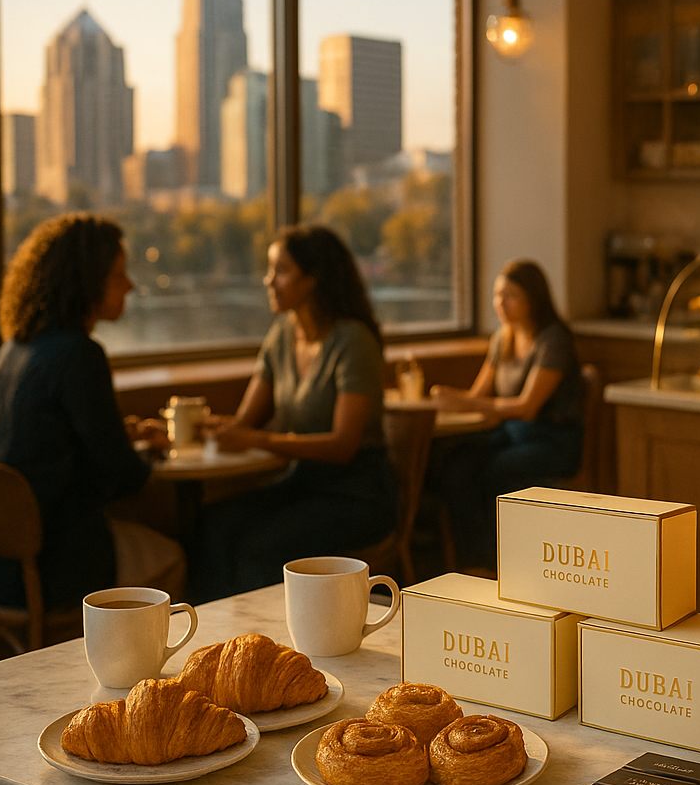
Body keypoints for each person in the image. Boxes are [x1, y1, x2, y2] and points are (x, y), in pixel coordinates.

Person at [0, 214, 185, 608]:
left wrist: (118, 436)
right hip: (56, 564)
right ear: (87, 280)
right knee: (174, 559)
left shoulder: (15, 348)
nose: (130, 286)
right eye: (118, 274)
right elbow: (124, 477)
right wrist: (149, 450)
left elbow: (48, 443)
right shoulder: (80, 355)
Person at [192, 225, 397, 601]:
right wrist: (186, 432)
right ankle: (219, 643)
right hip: (302, 483)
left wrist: (258, 439)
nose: (268, 281)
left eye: (280, 270)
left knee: (261, 546)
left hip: (356, 493)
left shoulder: (353, 341)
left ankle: (273, 650)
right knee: (214, 524)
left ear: (313, 278)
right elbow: (244, 424)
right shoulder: (281, 336)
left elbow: (343, 446)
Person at [430, 259, 585, 571]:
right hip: (511, 434)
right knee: (455, 466)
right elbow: (479, 395)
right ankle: (474, 563)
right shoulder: (502, 338)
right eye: (497, 295)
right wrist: (445, 396)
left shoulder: (553, 339)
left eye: (510, 295)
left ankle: (504, 563)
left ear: (533, 298)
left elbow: (527, 407)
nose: (500, 303)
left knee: (496, 469)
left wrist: (466, 404)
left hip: (552, 438)